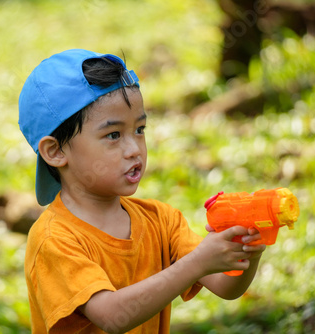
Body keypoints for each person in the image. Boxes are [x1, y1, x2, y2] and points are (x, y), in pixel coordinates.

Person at [18, 49, 266, 334]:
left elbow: (226, 285)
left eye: (140, 129)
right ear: (55, 151)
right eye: (113, 135)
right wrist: (198, 262)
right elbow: (112, 316)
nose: (134, 149)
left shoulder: (161, 220)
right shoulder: (54, 240)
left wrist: (247, 250)